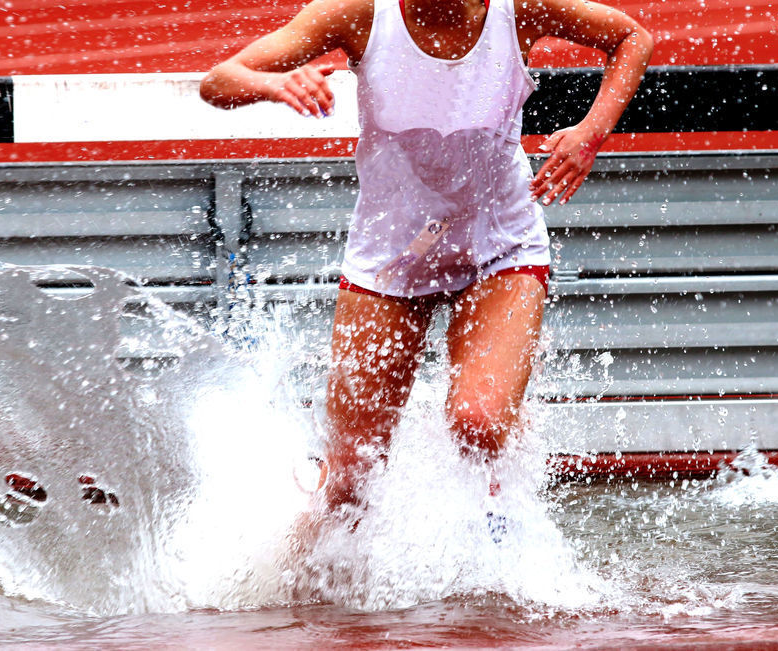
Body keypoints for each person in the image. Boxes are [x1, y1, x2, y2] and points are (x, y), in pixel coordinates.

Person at [201, 0, 652, 519]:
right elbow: (219, 81)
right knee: (350, 477)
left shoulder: (520, 10)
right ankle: (294, 583)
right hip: (391, 256)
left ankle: (503, 428)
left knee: (477, 423)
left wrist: (589, 134)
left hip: (499, 246)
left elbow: (632, 38)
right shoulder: (358, 14)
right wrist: (273, 85)